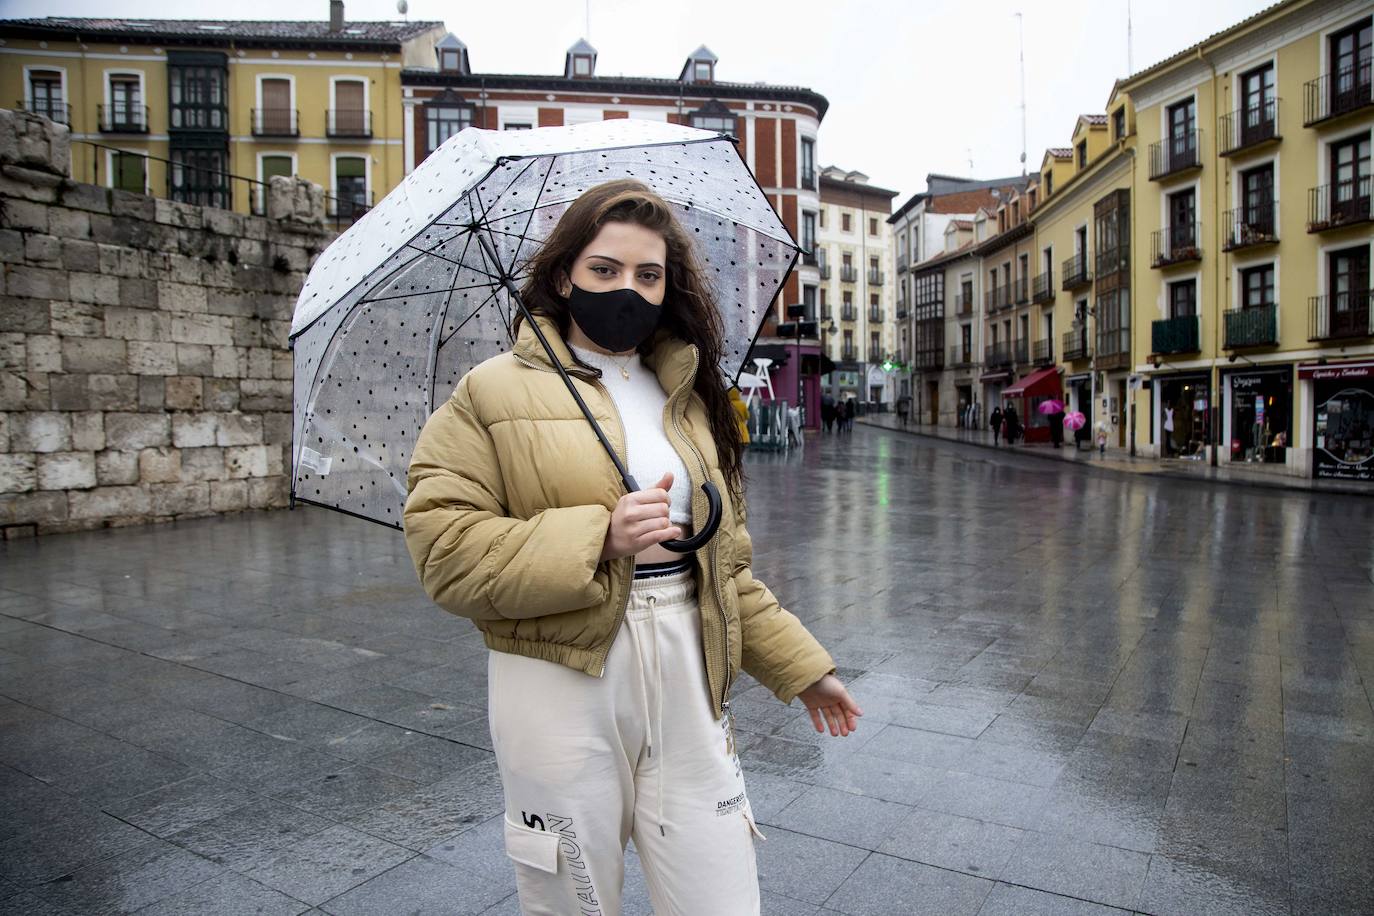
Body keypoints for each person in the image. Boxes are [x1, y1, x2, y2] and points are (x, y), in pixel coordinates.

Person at [403, 179, 861, 916]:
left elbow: (726, 566)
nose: (628, 290)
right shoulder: (487, 393)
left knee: (723, 894)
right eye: (605, 270)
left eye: (648, 275)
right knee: (571, 899)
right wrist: (600, 536)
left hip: (688, 656)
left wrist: (801, 668)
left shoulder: (688, 394)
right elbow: (445, 551)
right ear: (563, 277)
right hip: (558, 677)